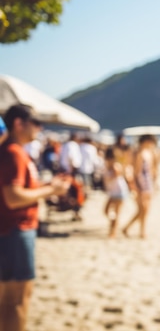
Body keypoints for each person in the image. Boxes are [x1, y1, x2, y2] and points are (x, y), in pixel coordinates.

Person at [0, 104, 70, 331]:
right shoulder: (13, 152)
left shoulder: (15, 151)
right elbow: (13, 197)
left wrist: (47, 186)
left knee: (11, 300)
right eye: (36, 123)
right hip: (15, 231)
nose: (40, 128)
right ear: (19, 123)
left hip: (13, 231)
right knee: (18, 299)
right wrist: (51, 191)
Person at [122, 134, 157, 239]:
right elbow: (137, 171)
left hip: (148, 182)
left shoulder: (149, 153)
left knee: (145, 209)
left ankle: (131, 228)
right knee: (142, 208)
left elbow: (151, 169)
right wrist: (134, 186)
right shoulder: (139, 153)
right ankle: (140, 230)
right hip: (141, 183)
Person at [102, 147, 129, 238]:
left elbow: (114, 175)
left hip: (119, 191)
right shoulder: (108, 166)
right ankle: (113, 226)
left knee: (116, 213)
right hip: (113, 192)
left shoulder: (116, 166)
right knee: (106, 211)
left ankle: (113, 232)